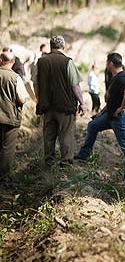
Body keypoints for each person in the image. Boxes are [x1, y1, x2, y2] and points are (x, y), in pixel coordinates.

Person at [75, 53, 125, 182]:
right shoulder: (115, 77)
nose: (106, 64)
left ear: (111, 63)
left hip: (120, 117)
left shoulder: (122, 77)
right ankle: (84, 154)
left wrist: (121, 108)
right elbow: (111, 102)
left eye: (107, 62)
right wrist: (100, 113)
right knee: (92, 125)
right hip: (110, 116)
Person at [34, 35, 86, 166]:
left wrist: (40, 100)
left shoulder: (41, 62)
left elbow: (35, 84)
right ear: (63, 46)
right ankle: (66, 163)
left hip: (47, 106)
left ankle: (49, 163)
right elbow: (75, 85)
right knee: (66, 135)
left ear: (51, 46)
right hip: (65, 106)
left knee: (49, 136)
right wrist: (82, 102)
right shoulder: (68, 61)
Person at [0, 49, 27, 177]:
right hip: (10, 118)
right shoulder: (16, 78)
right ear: (13, 62)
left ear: (0, 60)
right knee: (7, 148)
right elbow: (22, 100)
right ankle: (4, 177)